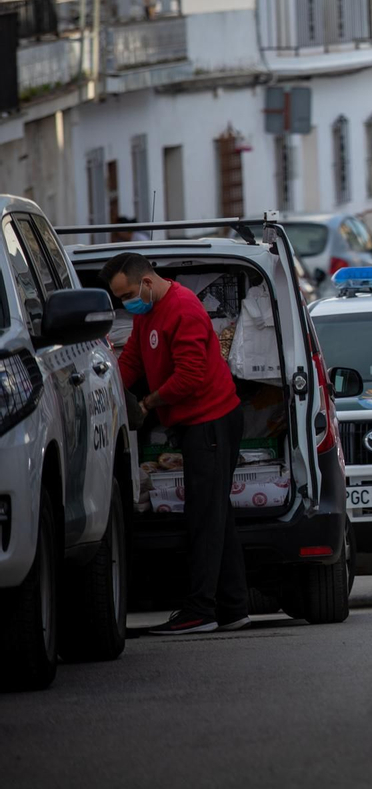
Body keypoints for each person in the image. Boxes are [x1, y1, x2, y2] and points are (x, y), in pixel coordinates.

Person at [102, 252, 248, 634]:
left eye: (128, 294)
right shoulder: (147, 311)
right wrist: (107, 384)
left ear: (147, 283)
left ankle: (201, 610)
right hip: (199, 423)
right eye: (120, 299)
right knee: (217, 513)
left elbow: (191, 377)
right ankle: (233, 607)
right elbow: (132, 358)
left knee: (204, 516)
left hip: (212, 421)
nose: (125, 303)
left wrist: (147, 403)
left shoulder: (183, 309)